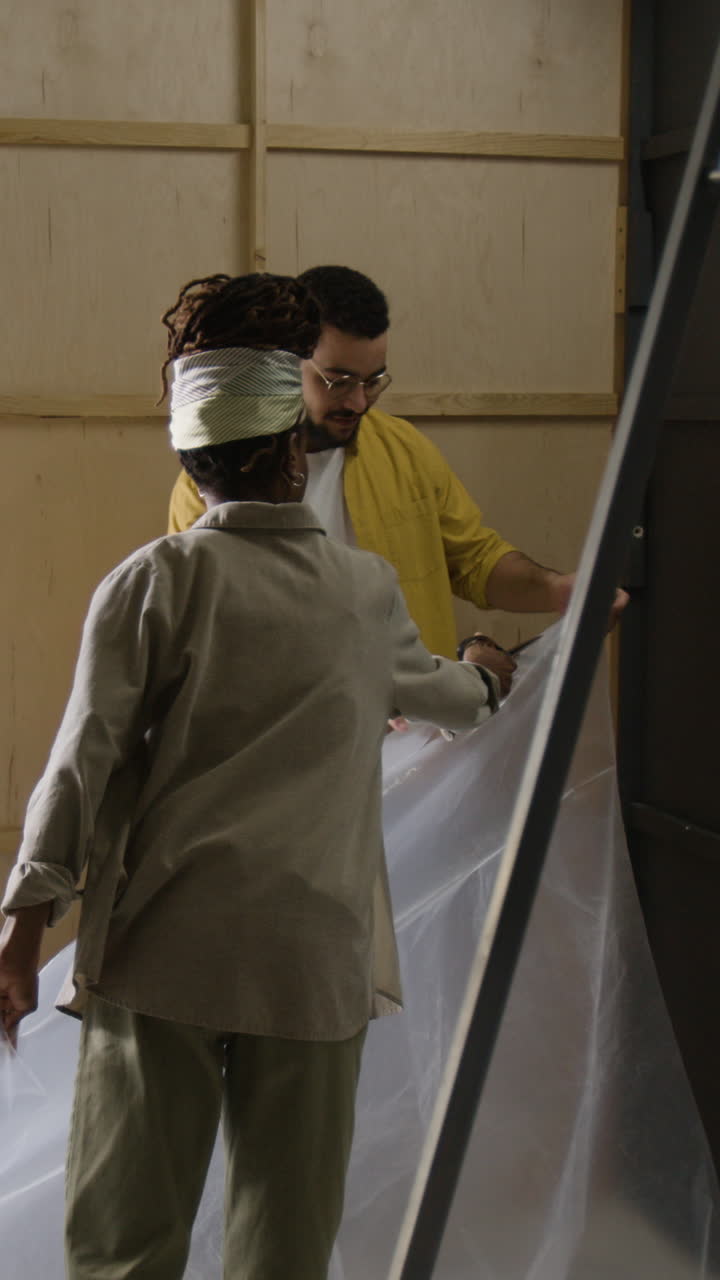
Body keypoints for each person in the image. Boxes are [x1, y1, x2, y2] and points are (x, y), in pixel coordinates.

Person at [0, 273, 504, 1280]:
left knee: (123, 1239)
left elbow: (81, 761)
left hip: (163, 955)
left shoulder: (155, 580)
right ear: (291, 451)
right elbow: (448, 698)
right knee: (285, 1244)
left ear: (195, 458)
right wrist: (489, 671)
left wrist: (21, 930)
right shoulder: (363, 591)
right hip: (310, 960)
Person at [168, 266, 627, 662]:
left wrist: (557, 590)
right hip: (293, 740)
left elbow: (473, 560)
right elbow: (216, 633)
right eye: (338, 380)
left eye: (373, 381)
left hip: (419, 740)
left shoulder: (404, 450)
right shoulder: (218, 480)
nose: (359, 401)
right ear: (289, 365)